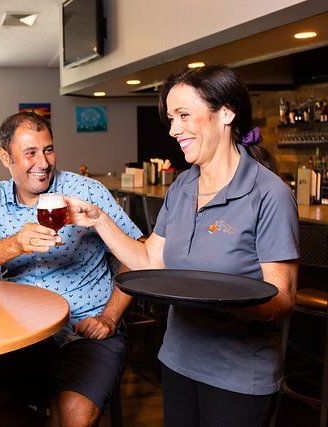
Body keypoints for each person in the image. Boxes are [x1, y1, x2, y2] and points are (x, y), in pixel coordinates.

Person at [65, 64, 299, 426]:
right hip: (177, 360)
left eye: (184, 115)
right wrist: (99, 221)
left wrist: (206, 297)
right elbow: (148, 261)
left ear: (226, 112)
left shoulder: (268, 194)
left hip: (238, 376)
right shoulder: (183, 186)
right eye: (171, 118)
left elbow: (282, 300)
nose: (173, 129)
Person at [0, 111, 142, 426]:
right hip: (21, 335)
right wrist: (15, 243)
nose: (43, 162)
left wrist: (110, 316)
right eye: (30, 153)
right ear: (5, 157)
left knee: (73, 416)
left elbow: (137, 253)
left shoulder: (86, 191)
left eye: (48, 149)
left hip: (86, 331)